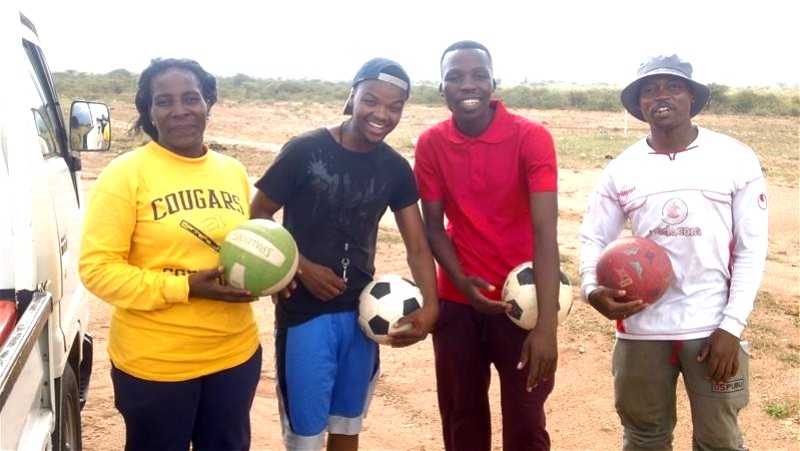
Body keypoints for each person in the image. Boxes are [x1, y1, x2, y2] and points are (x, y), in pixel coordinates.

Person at [578, 54, 769, 450]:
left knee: (720, 441)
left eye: (673, 87)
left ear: (691, 98)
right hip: (641, 331)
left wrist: (731, 327)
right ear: (640, 103)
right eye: (650, 90)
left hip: (711, 330)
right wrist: (590, 289)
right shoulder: (622, 169)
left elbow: (752, 249)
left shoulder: (734, 157)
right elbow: (593, 237)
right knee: (644, 437)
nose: (661, 96)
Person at [250, 57, 439, 451]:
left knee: (347, 426)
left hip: (362, 316)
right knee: (305, 436)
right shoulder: (304, 151)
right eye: (371, 100)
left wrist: (431, 308)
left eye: (394, 106)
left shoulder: (394, 168)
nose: (381, 114)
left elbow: (417, 245)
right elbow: (259, 212)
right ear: (352, 96)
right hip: (304, 313)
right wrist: (297, 267)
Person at [79, 58, 262, 451]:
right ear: (149, 111)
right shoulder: (124, 175)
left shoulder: (232, 171)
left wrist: (270, 277)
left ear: (208, 103)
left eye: (191, 98)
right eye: (164, 101)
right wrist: (186, 287)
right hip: (156, 364)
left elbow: (250, 248)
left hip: (234, 354)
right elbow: (97, 270)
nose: (180, 110)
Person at [413, 40, 561, 451]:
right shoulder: (431, 143)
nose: (468, 84)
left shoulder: (531, 137)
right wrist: (460, 281)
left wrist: (546, 326)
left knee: (526, 421)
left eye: (479, 75)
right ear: (441, 88)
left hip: (523, 302)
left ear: (494, 82)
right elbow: (434, 227)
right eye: (455, 77)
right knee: (463, 416)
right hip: (457, 303)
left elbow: (545, 232)